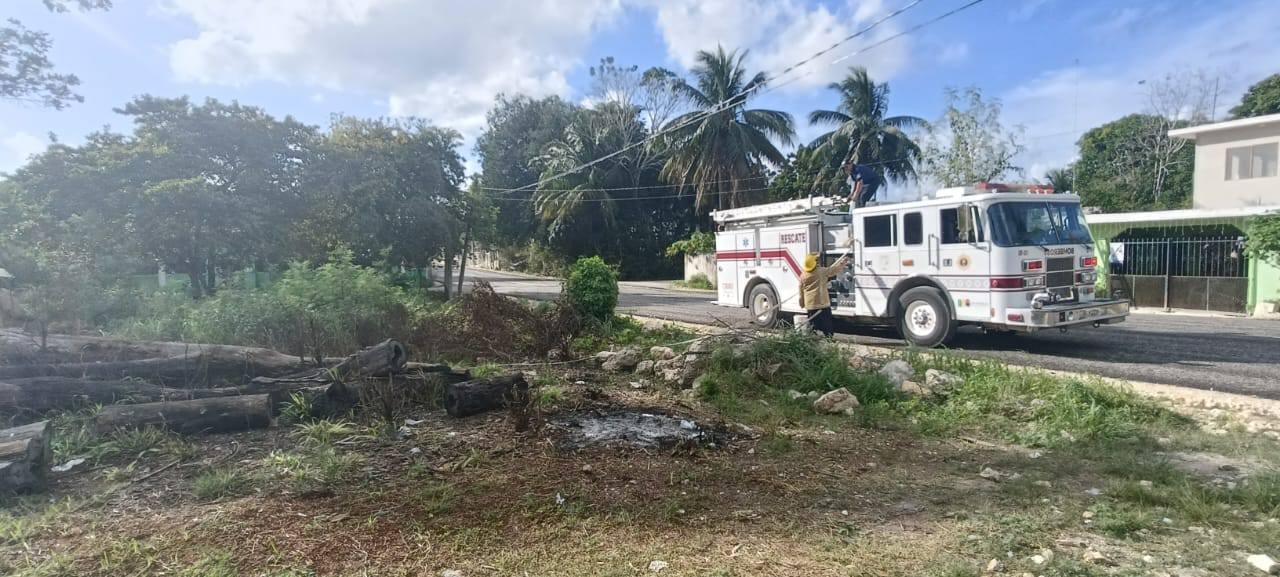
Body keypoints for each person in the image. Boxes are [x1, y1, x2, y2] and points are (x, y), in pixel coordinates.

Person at [798, 251, 851, 337]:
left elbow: (801, 291)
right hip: (822, 305)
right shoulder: (821, 271)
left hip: (810, 306)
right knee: (827, 326)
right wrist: (843, 262)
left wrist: (802, 303)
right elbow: (834, 270)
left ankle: (812, 341)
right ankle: (829, 340)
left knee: (812, 325)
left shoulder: (803, 275)